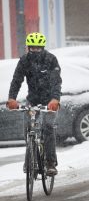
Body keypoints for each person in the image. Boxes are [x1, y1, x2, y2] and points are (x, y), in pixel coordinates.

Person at [6, 32, 62, 175]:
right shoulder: (24, 61)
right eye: (32, 48)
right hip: (32, 100)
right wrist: (12, 98)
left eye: (38, 48)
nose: (35, 50)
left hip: (49, 101)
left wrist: (55, 99)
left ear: (42, 47)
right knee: (28, 128)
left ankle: (50, 163)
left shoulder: (51, 59)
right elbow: (16, 80)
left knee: (48, 127)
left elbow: (56, 81)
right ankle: (30, 158)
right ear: (28, 48)